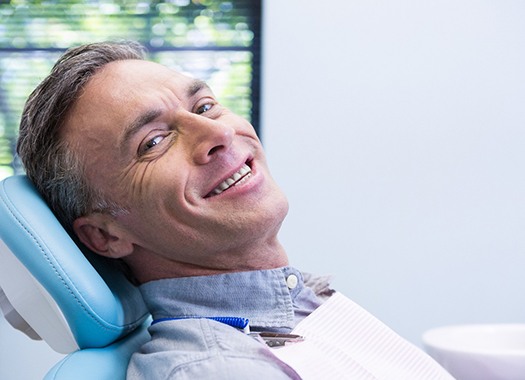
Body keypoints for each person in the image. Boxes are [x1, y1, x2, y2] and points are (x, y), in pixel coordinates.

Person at [16, 41, 453, 379]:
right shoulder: (216, 368)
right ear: (106, 236)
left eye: (204, 106)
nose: (217, 133)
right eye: (152, 142)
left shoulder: (289, 306)